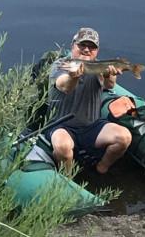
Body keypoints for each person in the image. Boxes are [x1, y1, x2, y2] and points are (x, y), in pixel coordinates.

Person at [44, 27, 132, 174]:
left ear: (97, 51)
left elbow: (110, 85)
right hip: (60, 125)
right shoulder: (61, 65)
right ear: (73, 45)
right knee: (63, 147)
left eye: (92, 47)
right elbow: (64, 86)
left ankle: (101, 168)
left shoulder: (99, 66)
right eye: (82, 45)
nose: (86, 50)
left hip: (91, 126)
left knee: (124, 137)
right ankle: (67, 179)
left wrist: (111, 74)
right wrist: (74, 76)